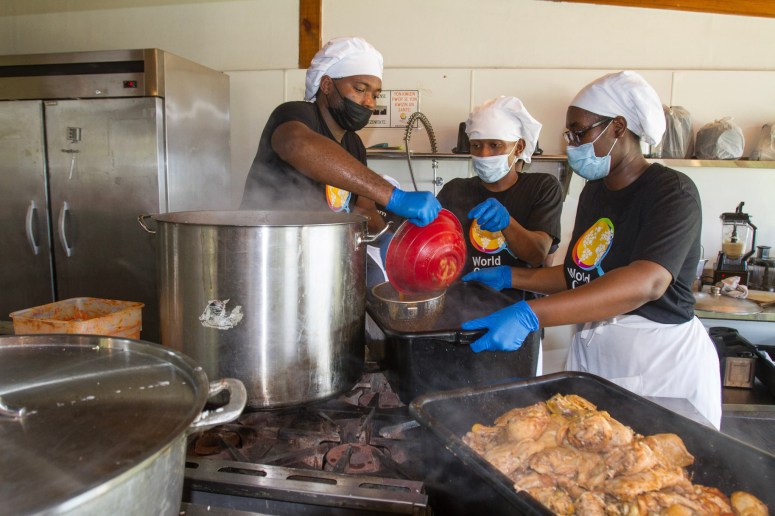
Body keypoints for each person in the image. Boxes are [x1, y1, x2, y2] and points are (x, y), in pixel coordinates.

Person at [461, 71, 722, 429]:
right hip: (597, 356)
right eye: (569, 134)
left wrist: (531, 314)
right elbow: (579, 275)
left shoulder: (671, 191)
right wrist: (510, 276)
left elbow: (646, 283)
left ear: (617, 127)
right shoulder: (595, 192)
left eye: (579, 132)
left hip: (658, 364)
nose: (572, 144)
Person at [240, 36, 440, 231]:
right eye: (361, 89)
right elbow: (297, 145)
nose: (369, 102)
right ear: (327, 85)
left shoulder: (354, 145)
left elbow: (364, 209)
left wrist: (394, 241)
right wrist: (394, 197)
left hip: (319, 252)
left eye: (375, 95)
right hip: (266, 246)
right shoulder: (295, 114)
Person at [436, 96, 563, 302]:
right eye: (476, 146)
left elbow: (537, 254)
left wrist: (508, 224)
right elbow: (435, 248)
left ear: (519, 147)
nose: (484, 154)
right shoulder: (455, 190)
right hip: (461, 306)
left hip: (518, 311)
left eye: (495, 145)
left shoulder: (541, 187)